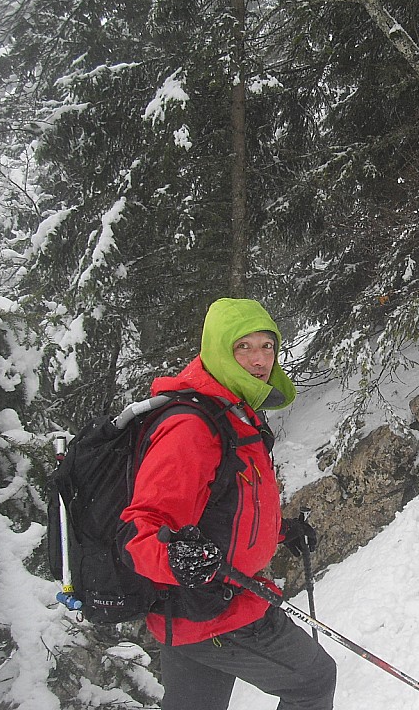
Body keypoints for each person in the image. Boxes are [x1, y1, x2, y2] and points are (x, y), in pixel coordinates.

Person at [119, 298, 336, 710]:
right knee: (312, 680)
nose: (259, 360)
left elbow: (225, 503)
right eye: (244, 347)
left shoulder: (233, 409)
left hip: (196, 609)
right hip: (213, 607)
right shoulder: (193, 427)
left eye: (267, 347)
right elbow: (140, 528)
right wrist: (177, 560)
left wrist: (279, 531)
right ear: (219, 350)